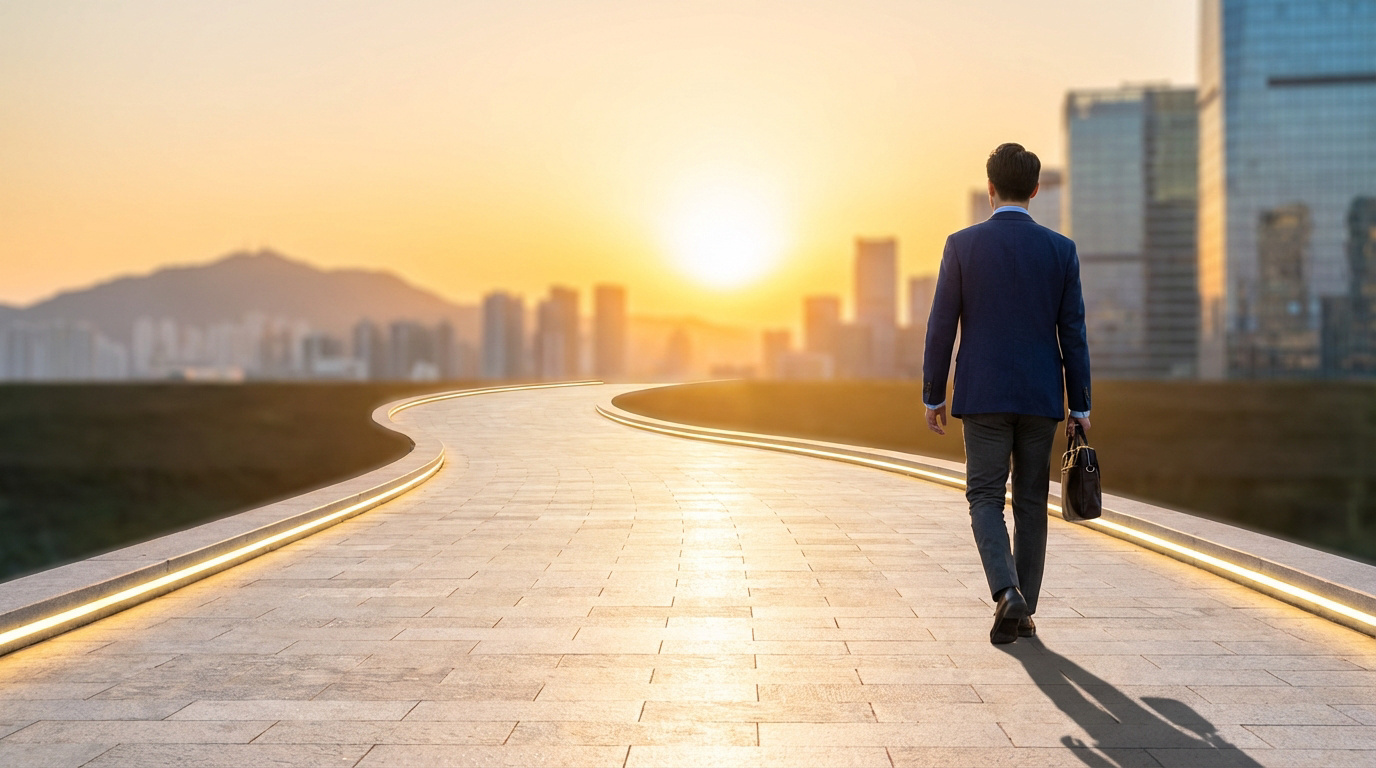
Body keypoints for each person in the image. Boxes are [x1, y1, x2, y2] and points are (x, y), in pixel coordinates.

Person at [921, 143, 1092, 645]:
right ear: (1035, 190)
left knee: (985, 496)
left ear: (990, 188)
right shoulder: (1061, 250)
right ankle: (1024, 609)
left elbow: (940, 326)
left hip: (983, 394)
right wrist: (1080, 404)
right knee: (1032, 502)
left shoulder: (962, 245)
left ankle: (1006, 592)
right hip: (1041, 396)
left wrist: (934, 394)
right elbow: (1074, 333)